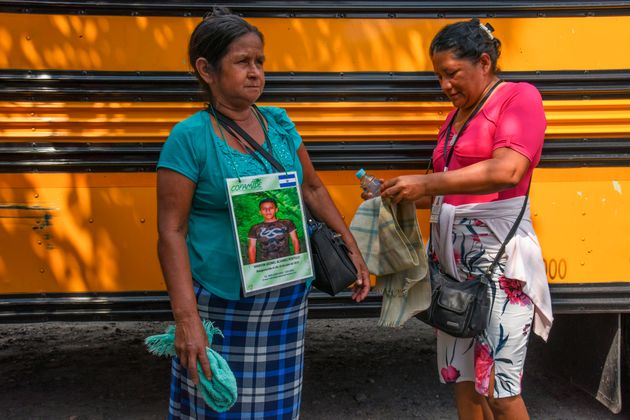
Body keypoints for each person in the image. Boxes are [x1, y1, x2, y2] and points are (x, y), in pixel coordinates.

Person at [156, 8, 370, 419]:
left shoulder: (280, 124)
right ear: (206, 69)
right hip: (220, 305)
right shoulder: (188, 138)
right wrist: (186, 321)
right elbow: (171, 231)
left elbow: (312, 187)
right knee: (217, 405)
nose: (255, 72)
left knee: (277, 409)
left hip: (285, 301)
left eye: (259, 62)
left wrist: (351, 246)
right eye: (242, 62)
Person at [379, 19, 553, 420]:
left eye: (452, 73)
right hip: (452, 269)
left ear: (485, 62)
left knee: (498, 389)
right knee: (462, 379)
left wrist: (426, 182)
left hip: (497, 264)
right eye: (439, 76)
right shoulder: (456, 117)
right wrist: (399, 195)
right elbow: (449, 190)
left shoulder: (518, 98)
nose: (444, 85)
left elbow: (509, 169)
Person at [248, 197, 300, 264]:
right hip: (266, 265)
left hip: (287, 262)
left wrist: (297, 258)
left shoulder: (287, 223)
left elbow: (295, 240)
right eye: (264, 209)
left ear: (276, 210)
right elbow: (252, 248)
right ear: (260, 212)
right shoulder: (255, 228)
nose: (268, 211)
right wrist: (252, 266)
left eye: (271, 208)